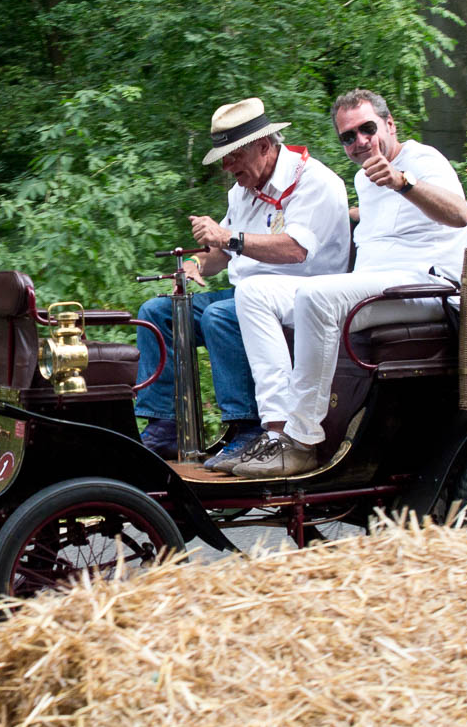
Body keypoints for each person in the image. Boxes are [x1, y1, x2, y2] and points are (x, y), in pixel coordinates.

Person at [229, 88, 467, 478]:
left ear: (390, 125)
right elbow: (379, 218)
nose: (359, 141)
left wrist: (403, 182)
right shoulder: (364, 178)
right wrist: (349, 212)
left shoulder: (422, 160)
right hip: (376, 288)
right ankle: (276, 429)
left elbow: (460, 214)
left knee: (316, 295)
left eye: (367, 129)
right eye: (348, 136)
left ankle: (303, 441)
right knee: (253, 293)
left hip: (426, 288)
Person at [136, 97, 350, 470]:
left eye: (233, 155)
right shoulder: (243, 190)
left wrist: (228, 238)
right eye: (223, 157)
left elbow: (295, 250)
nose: (226, 166)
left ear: (264, 146)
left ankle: (247, 427)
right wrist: (195, 263)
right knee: (158, 312)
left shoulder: (314, 181)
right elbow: (222, 252)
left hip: (305, 295)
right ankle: (165, 427)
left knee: (221, 314)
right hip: (249, 295)